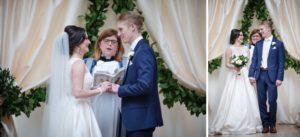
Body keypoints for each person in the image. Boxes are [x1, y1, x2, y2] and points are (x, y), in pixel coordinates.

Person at [42, 25, 111, 137]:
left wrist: (95, 87)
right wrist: (100, 90)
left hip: (67, 110)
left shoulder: (68, 63)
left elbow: (71, 89)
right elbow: (77, 93)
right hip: (78, 112)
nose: (89, 41)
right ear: (78, 44)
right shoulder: (78, 64)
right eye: (86, 39)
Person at [110, 11, 163, 137]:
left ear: (132, 27)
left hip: (141, 119)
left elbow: (144, 85)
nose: (118, 34)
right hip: (137, 119)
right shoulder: (138, 49)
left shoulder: (143, 51)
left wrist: (119, 89)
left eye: (121, 29)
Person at [210, 29, 262, 135]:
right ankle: (228, 123)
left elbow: (248, 63)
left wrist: (241, 66)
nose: (242, 37)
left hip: (244, 74)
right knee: (231, 96)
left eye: (243, 35)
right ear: (235, 37)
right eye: (240, 35)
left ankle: (250, 123)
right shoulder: (229, 49)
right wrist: (235, 66)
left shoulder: (246, 49)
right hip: (233, 74)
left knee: (247, 96)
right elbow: (227, 64)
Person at [84, 28, 125, 137]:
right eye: (106, 41)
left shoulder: (124, 64)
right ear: (99, 44)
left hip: (115, 105)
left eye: (114, 42)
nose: (110, 44)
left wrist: (117, 87)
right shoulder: (87, 63)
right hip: (94, 104)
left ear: (118, 46)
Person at [249, 21, 285, 133]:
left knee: (272, 100)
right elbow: (254, 61)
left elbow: (281, 62)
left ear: (269, 29)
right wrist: (251, 74)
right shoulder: (259, 44)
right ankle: (265, 124)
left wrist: (280, 78)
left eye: (262, 29)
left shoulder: (278, 44)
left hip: (272, 76)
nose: (260, 32)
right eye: (260, 30)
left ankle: (272, 124)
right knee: (261, 101)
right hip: (260, 75)